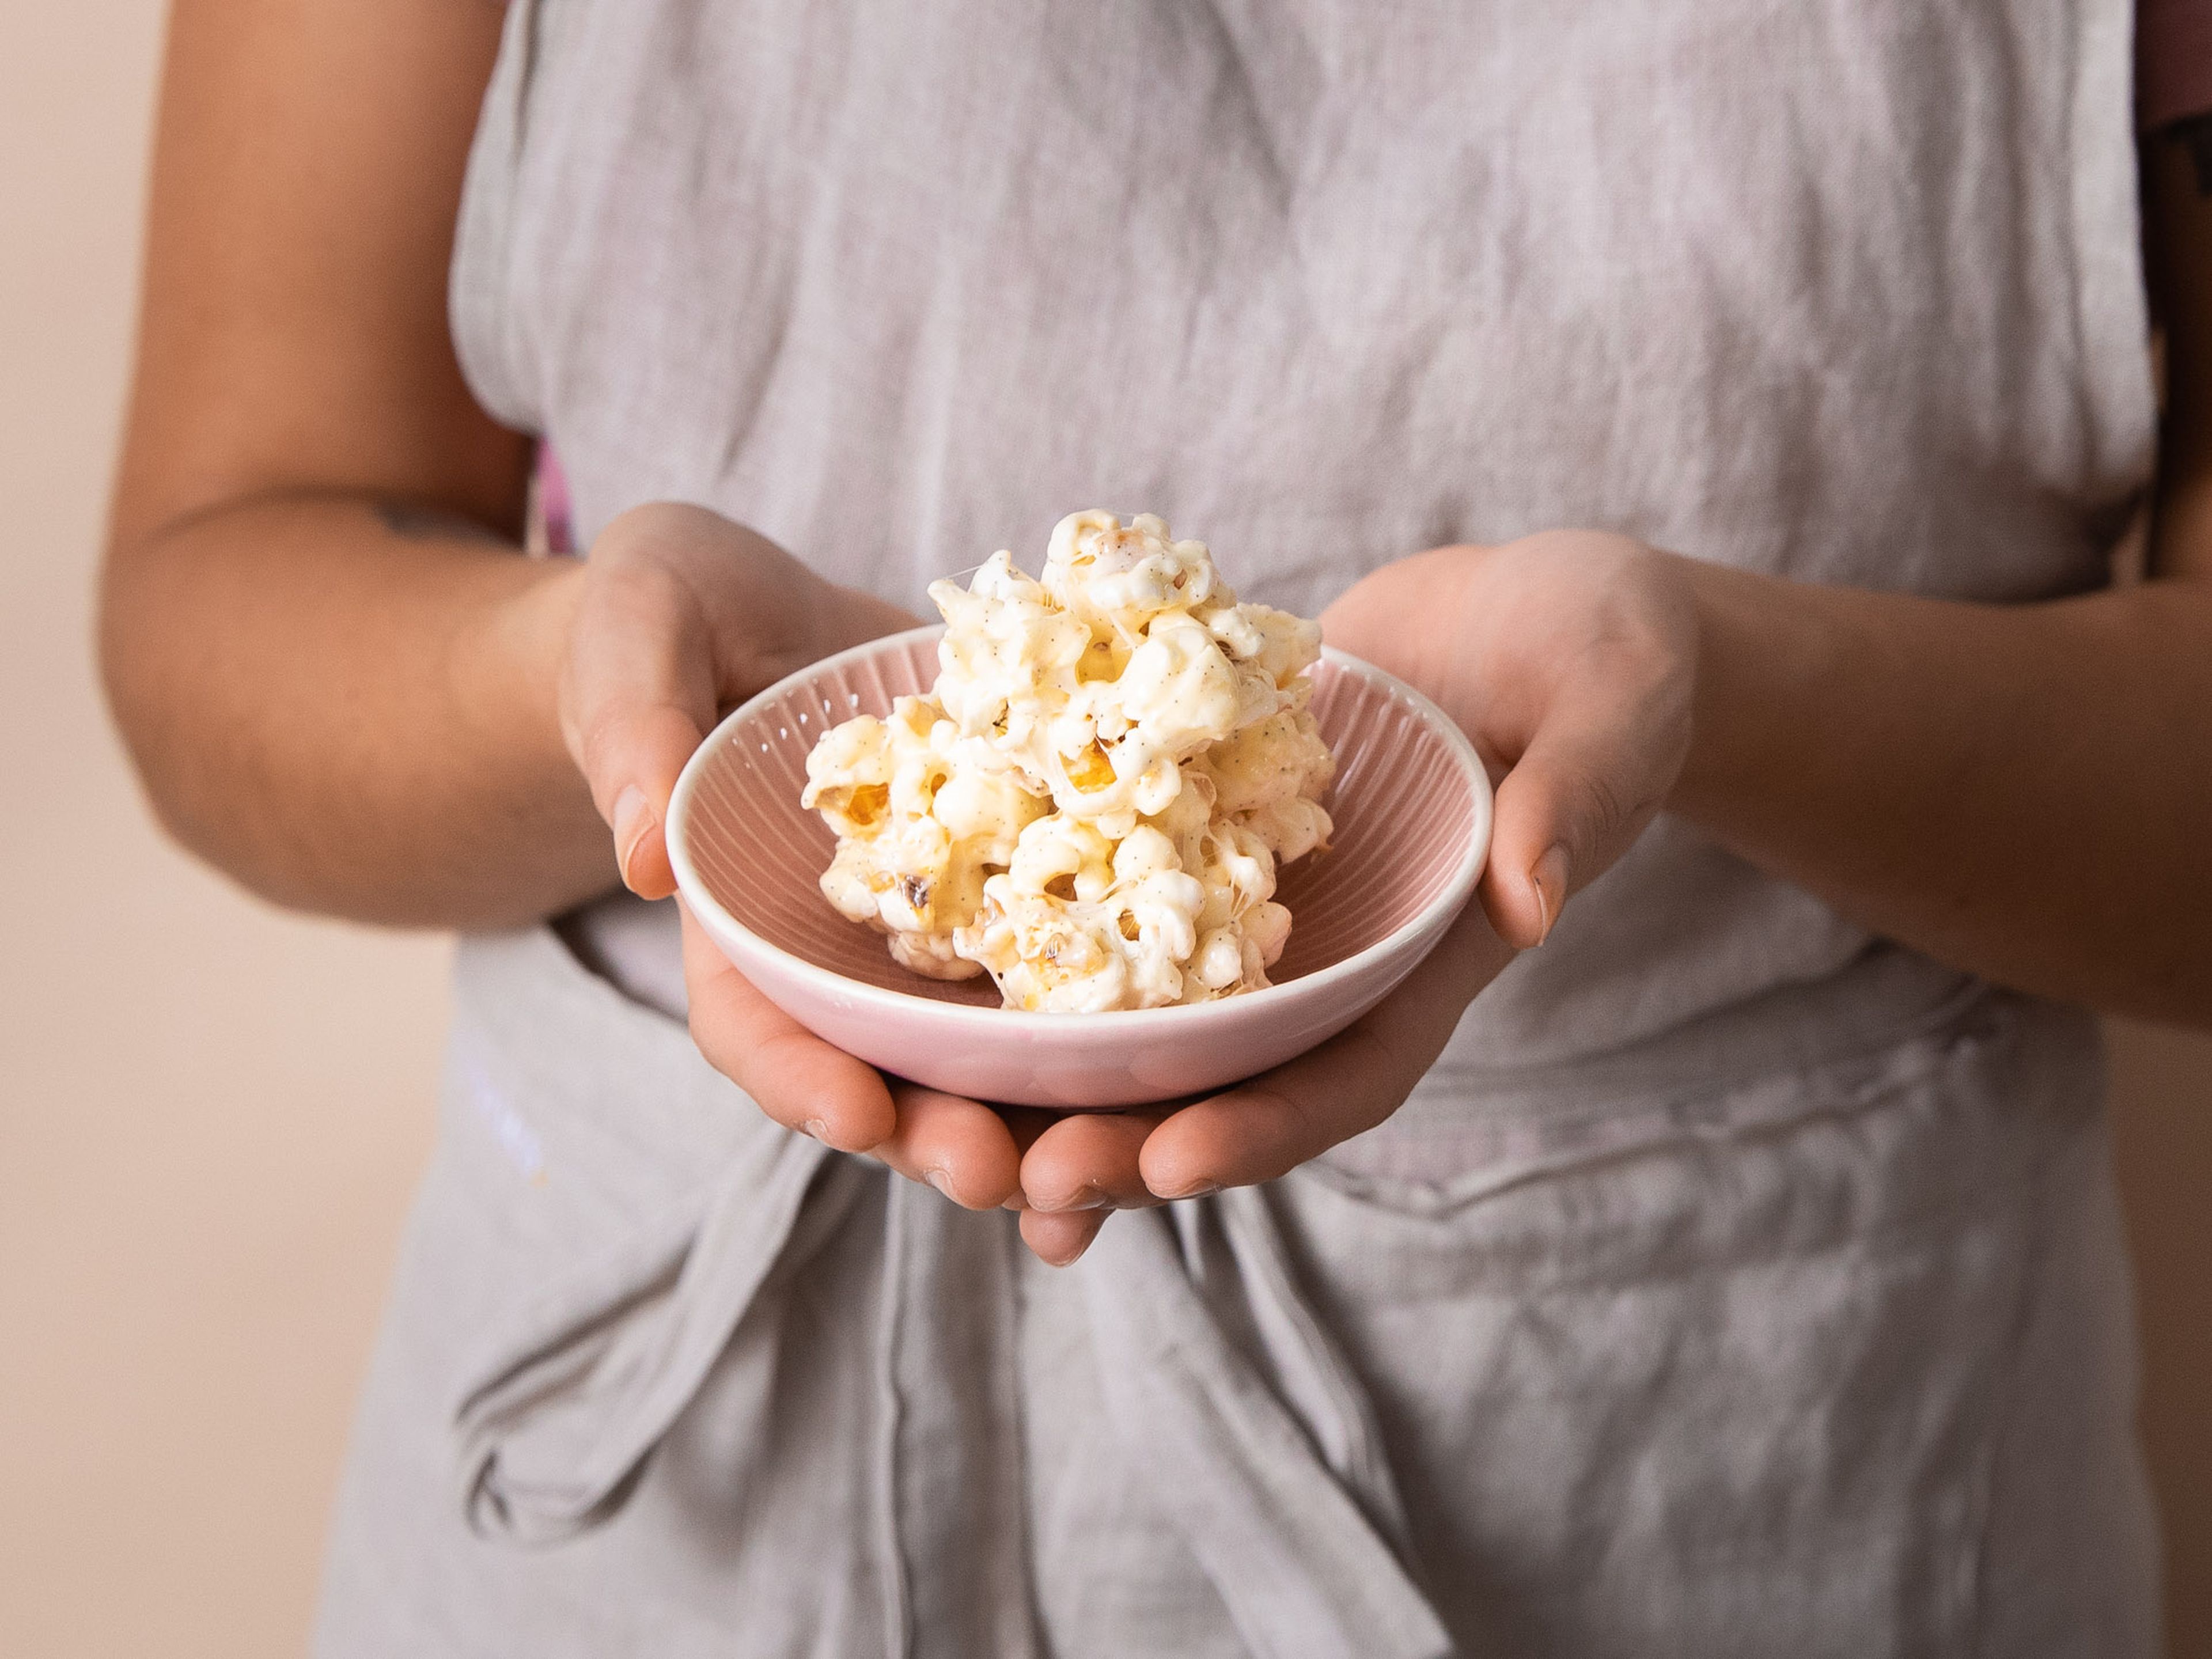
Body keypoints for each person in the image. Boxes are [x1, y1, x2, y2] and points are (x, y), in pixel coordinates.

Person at [101, 1, 2212, 1653]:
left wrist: (1720, 686)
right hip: (674, 1507)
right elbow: (229, 579)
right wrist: (602, 688)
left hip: (1729, 1474)